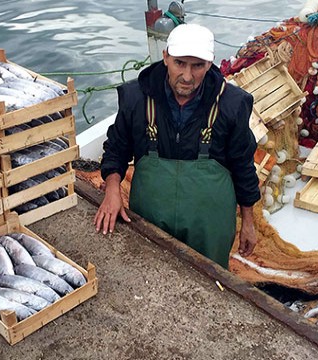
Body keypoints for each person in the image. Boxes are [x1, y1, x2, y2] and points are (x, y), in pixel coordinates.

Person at [93, 23, 261, 268]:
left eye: (198, 66)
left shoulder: (232, 105)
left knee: (210, 280)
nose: (187, 76)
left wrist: (248, 222)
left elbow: (243, 166)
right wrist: (112, 192)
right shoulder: (135, 98)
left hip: (209, 222)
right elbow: (116, 149)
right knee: (149, 272)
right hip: (150, 213)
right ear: (165, 57)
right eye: (179, 63)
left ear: (210, 63)